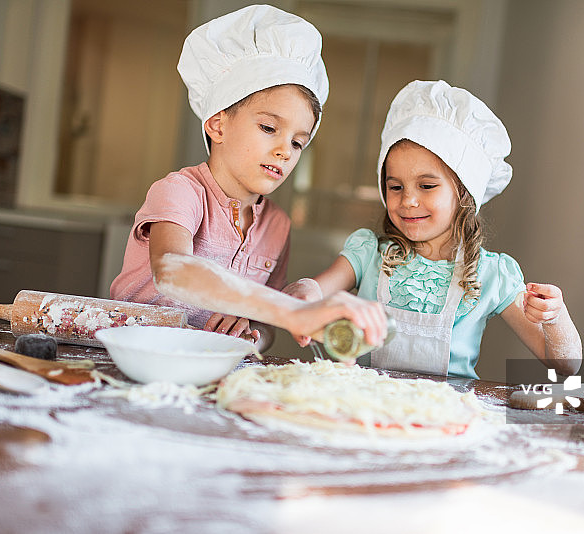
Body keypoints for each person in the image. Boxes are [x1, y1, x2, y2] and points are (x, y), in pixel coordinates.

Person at [111, 5, 384, 350]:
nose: (286, 151)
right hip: (138, 359)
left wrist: (252, 334)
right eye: (269, 128)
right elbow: (173, 271)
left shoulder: (278, 225)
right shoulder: (180, 192)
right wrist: (293, 311)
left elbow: (267, 326)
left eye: (298, 142)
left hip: (211, 372)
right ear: (218, 124)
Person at [285, 80, 582, 378]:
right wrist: (307, 292)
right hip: (362, 412)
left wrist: (555, 319)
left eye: (427, 186)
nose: (408, 201)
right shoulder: (368, 254)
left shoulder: (492, 275)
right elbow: (314, 292)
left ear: (465, 194)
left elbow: (565, 365)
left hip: (443, 416)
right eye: (395, 186)